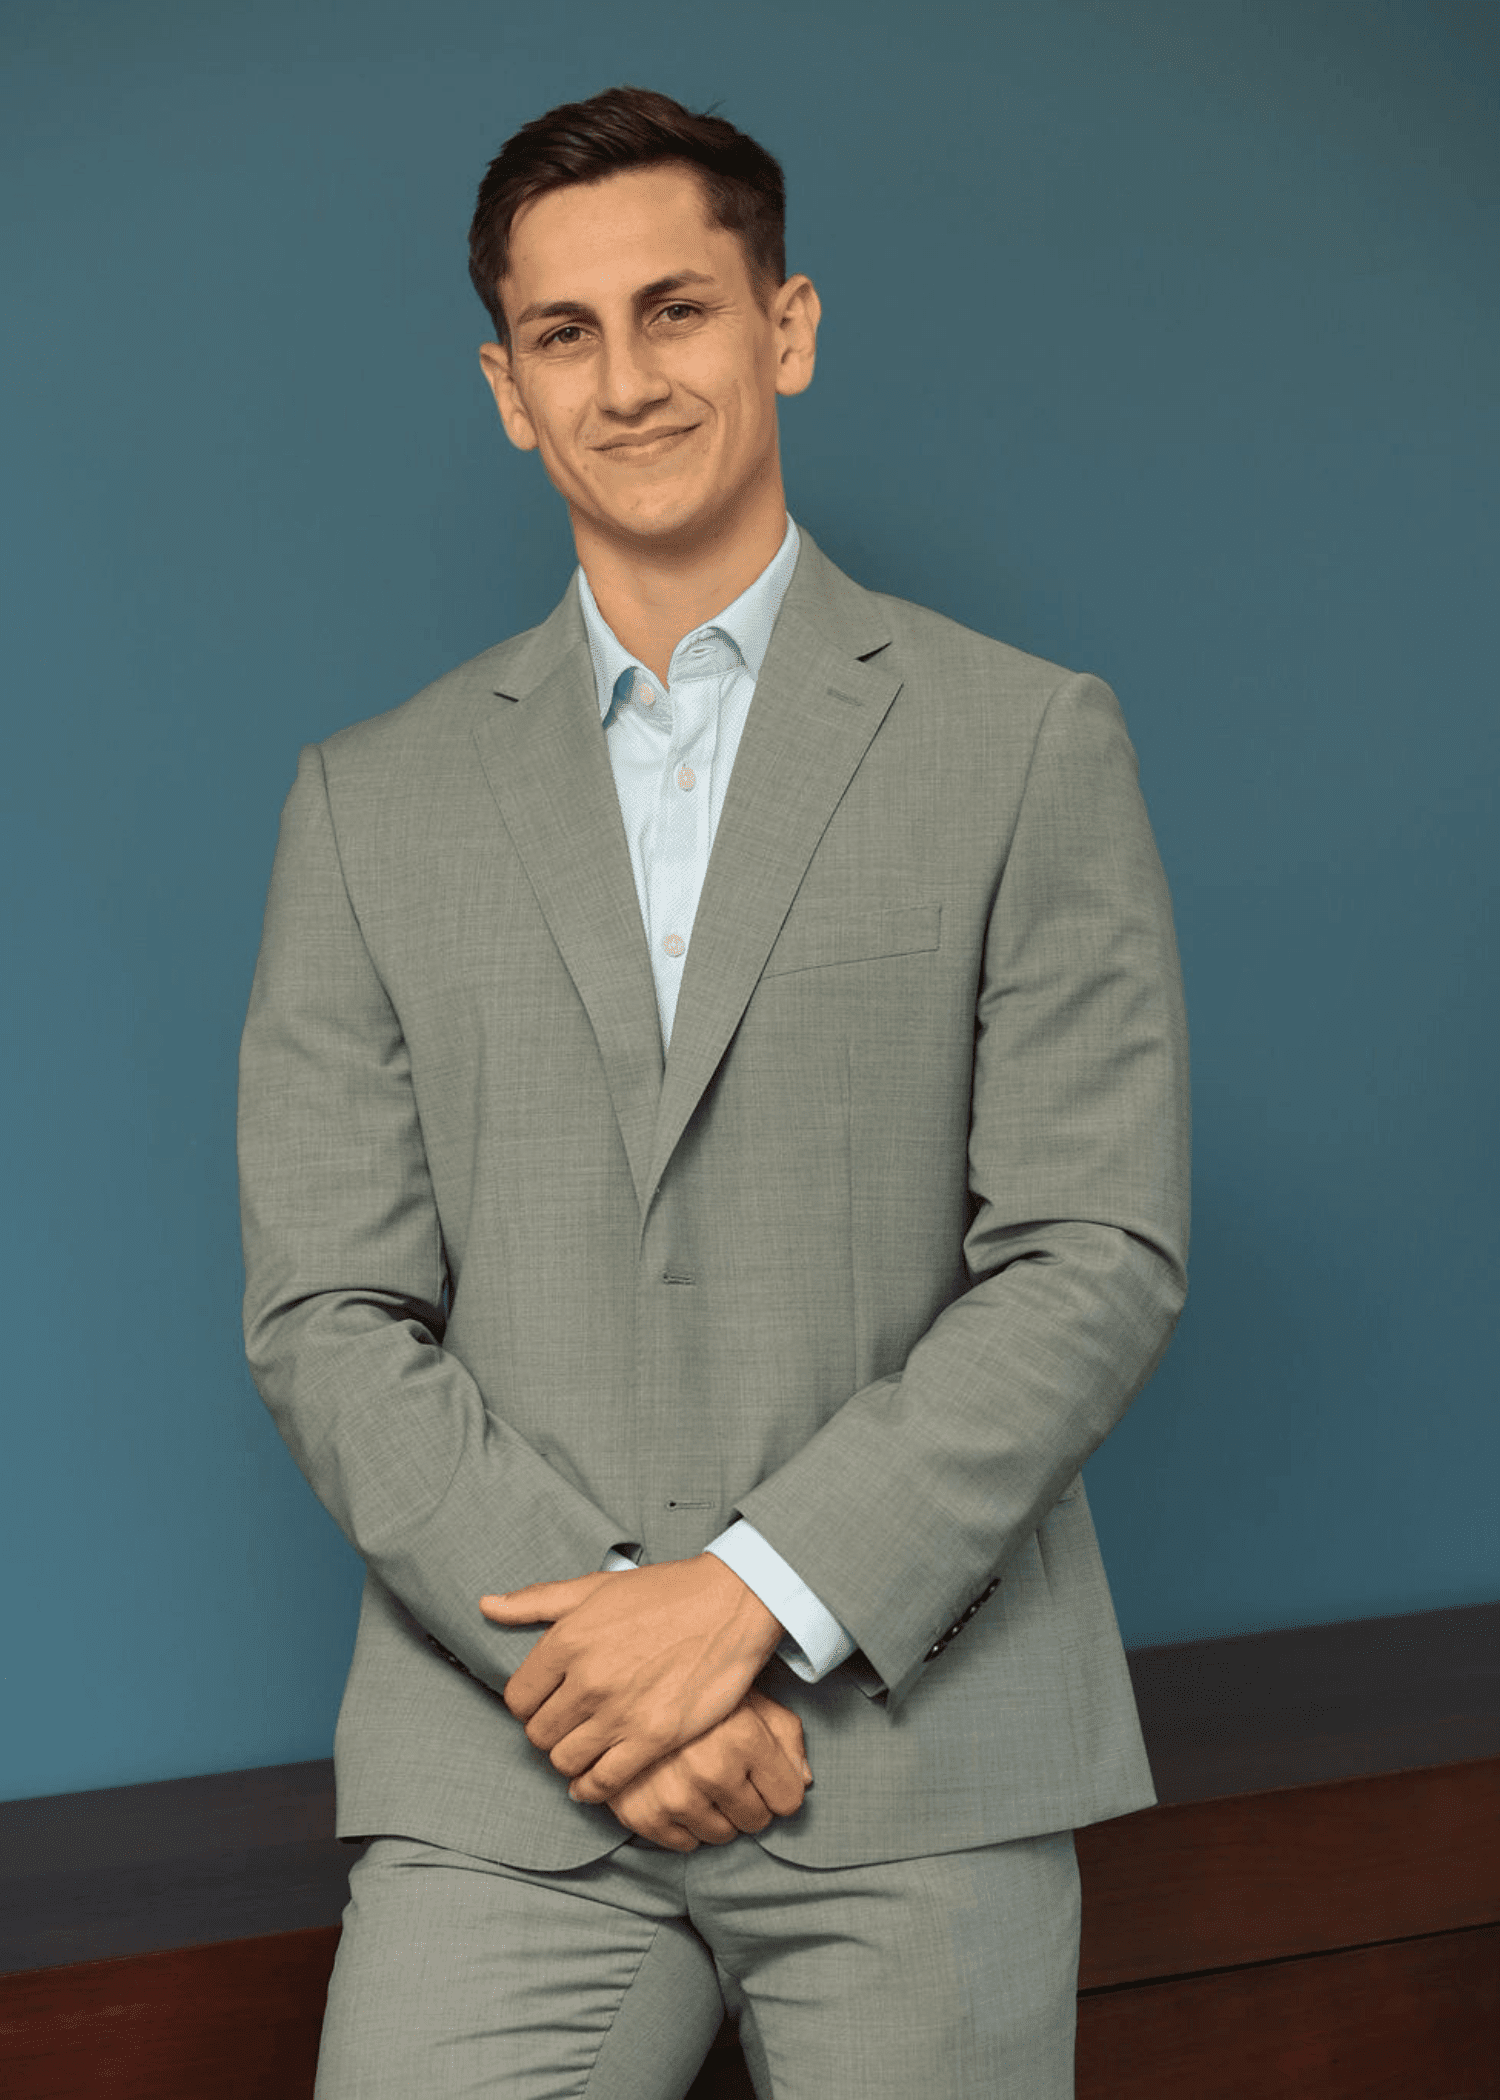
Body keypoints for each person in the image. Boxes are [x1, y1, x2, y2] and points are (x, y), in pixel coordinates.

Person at [238, 83, 1189, 2100]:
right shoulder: (365, 802)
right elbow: (327, 1311)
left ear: (789, 325)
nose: (626, 377)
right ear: (506, 386)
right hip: (513, 1762)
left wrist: (751, 1603)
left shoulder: (1027, 745)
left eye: (677, 309)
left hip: (921, 1747)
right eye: (566, 334)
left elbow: (1090, 1252)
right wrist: (606, 1654)